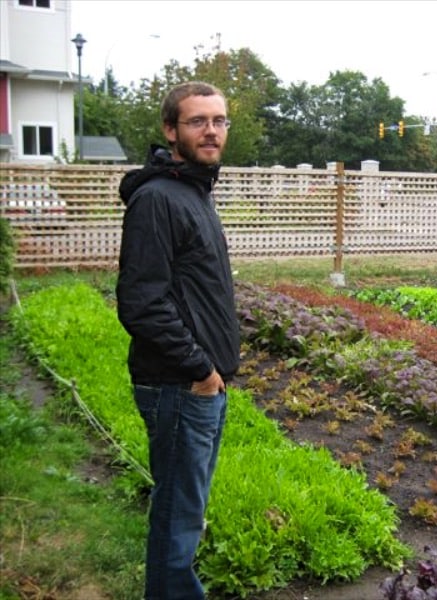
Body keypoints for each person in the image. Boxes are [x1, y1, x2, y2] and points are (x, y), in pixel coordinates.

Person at [116, 81, 240, 599]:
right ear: (171, 130)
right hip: (180, 386)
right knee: (177, 521)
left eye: (219, 120)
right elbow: (142, 303)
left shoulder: (192, 191)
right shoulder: (158, 199)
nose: (211, 131)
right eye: (197, 121)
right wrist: (201, 370)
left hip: (197, 386)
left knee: (184, 514)